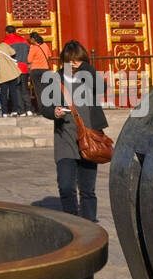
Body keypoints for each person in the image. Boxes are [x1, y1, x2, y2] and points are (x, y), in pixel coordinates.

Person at [38, 39, 108, 221]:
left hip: (89, 137)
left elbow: (102, 88)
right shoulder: (54, 79)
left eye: (78, 60)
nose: (74, 63)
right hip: (65, 138)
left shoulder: (88, 77)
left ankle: (90, 223)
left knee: (87, 190)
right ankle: (73, 221)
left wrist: (87, 68)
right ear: (64, 60)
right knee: (66, 185)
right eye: (70, 60)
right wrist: (54, 111)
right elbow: (45, 106)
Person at [4, 26, 33, 115]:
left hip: (14, 69)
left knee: (17, 89)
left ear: (6, 32)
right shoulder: (24, 41)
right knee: (25, 89)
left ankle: (21, 110)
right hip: (24, 68)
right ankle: (29, 109)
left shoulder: (6, 41)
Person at [0, 37, 22, 116]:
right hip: (12, 71)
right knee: (13, 92)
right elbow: (13, 52)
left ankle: (5, 112)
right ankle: (14, 110)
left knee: (3, 93)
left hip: (2, 73)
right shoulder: (5, 45)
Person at [27, 32, 53, 112]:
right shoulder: (45, 45)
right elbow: (49, 55)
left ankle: (41, 109)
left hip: (36, 70)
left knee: (38, 91)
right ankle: (49, 107)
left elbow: (29, 60)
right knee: (46, 89)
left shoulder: (33, 47)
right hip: (45, 69)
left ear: (33, 39)